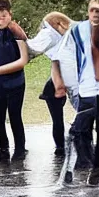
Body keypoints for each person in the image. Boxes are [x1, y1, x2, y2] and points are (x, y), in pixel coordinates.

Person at [54, 0, 99, 184]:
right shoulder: (76, 31)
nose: (96, 14)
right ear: (88, 11)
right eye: (94, 10)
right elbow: (59, 57)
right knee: (80, 129)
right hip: (87, 88)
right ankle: (83, 164)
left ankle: (96, 169)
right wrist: (60, 82)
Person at [0, 0, 29, 162]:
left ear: (10, 14)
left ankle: (20, 148)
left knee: (15, 115)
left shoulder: (16, 32)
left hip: (16, 81)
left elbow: (23, 60)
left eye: (3, 16)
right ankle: (3, 147)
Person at [25, 12, 74, 156]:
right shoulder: (69, 37)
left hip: (58, 84)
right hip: (58, 84)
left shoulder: (51, 35)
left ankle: (62, 146)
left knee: (58, 118)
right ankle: (63, 145)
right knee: (62, 118)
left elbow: (32, 46)